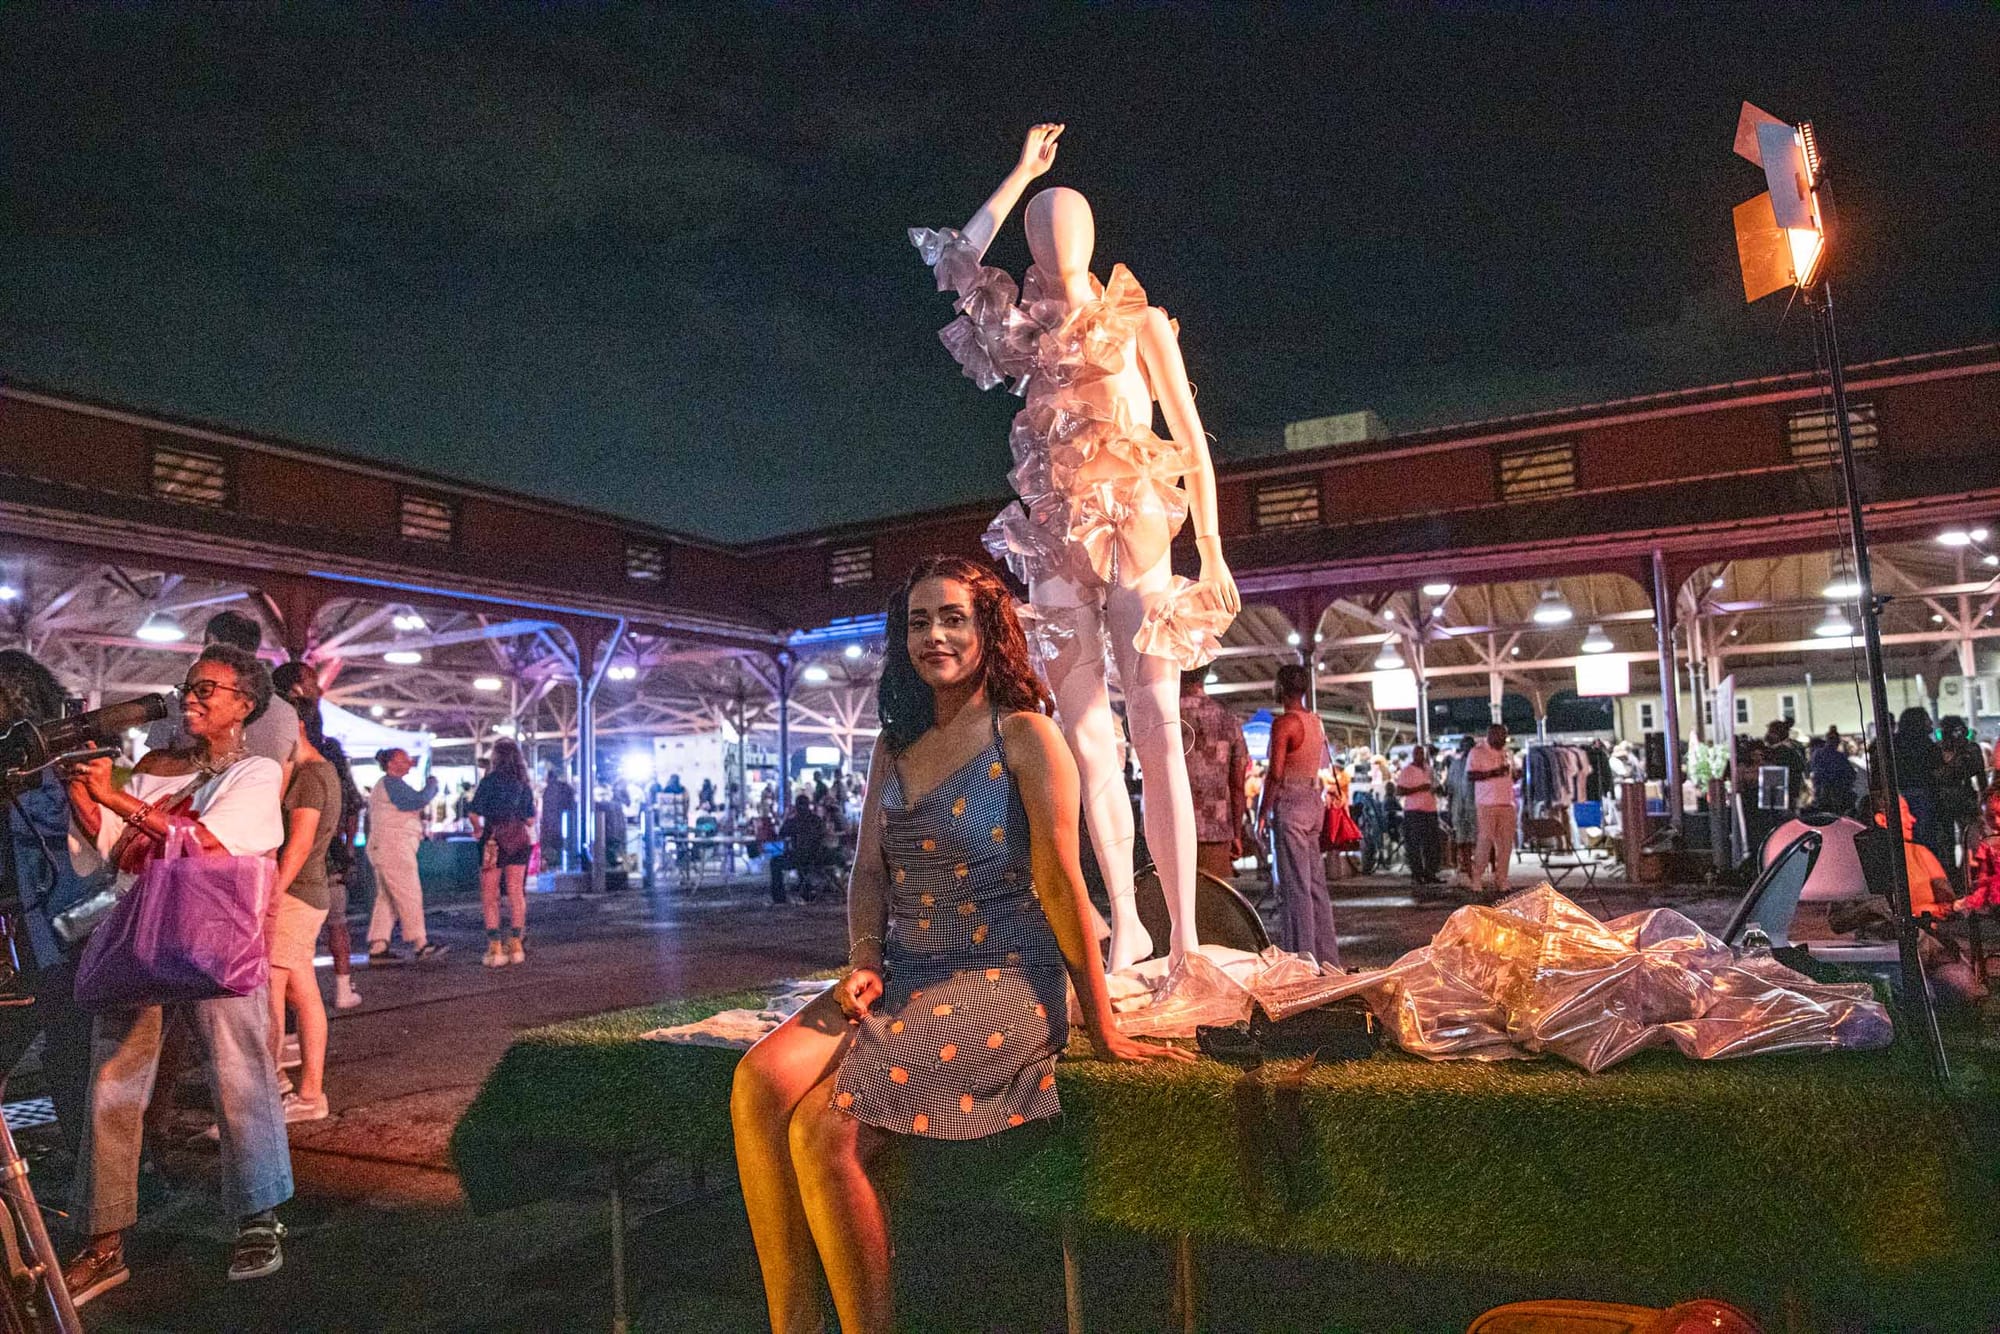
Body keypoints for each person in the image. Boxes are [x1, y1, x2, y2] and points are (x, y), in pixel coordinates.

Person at [730, 555, 1188, 1333]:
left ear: (989, 632)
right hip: (905, 966)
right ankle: (793, 1324)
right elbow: (869, 872)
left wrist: (1101, 1022)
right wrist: (865, 958)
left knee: (820, 1132)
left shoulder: (1026, 735)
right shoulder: (893, 745)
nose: (934, 636)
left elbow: (1061, 886)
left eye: (953, 619)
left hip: (1004, 974)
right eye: (918, 621)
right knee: (759, 1081)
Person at [61, 643, 293, 1299]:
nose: (191, 699)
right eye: (189, 688)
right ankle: (103, 1239)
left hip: (211, 941)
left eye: (207, 689)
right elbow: (116, 851)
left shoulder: (255, 774)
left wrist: (116, 796)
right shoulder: (158, 775)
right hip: (143, 938)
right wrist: (89, 796)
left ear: (244, 704)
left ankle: (257, 1217)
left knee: (240, 1079)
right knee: (111, 1084)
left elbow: (209, 844)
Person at [0, 650, 98, 1160]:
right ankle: (94, 1170)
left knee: (69, 1056)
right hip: (54, 935)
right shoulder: (56, 766)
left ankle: (98, 1172)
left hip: (43, 934)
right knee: (71, 1057)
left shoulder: (58, 768)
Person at [270, 662, 363, 1011]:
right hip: (325, 859)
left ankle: (287, 1045)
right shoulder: (326, 755)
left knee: (283, 965)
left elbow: (303, 838)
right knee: (305, 952)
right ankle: (340, 989)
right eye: (312, 682)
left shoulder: (309, 765)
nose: (319, 689)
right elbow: (352, 805)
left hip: (303, 863)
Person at [265, 694, 340, 1122]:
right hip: (308, 893)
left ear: (297, 728)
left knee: (274, 992)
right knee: (301, 990)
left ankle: (277, 1088)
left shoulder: (311, 777)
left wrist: (272, 892)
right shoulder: (317, 771)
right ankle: (308, 1092)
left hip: (296, 895)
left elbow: (300, 842)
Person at [143, 610, 297, 775]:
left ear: (210, 640)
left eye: (205, 690)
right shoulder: (287, 713)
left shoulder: (178, 702)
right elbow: (283, 780)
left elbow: (151, 770)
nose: (190, 698)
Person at [1258, 663, 1338, 966]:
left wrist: (1262, 813)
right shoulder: (1315, 722)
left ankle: (1302, 958)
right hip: (1313, 799)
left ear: (1279, 688)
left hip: (1290, 801)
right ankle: (1327, 957)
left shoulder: (1284, 724)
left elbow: (1275, 774)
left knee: (1295, 886)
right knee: (1316, 885)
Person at [364, 748, 445, 965]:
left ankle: (378, 944)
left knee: (388, 897)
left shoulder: (386, 784)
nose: (409, 763)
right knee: (409, 893)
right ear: (391, 764)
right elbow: (416, 801)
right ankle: (420, 943)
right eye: (404, 760)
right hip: (394, 847)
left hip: (383, 847)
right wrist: (432, 785)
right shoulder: (392, 783)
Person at [469, 738, 537, 967]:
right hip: (518, 840)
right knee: (516, 892)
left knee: (490, 895)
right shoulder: (523, 785)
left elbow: (473, 813)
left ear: (495, 758)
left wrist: (478, 829)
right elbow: (530, 820)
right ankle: (516, 944)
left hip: (492, 841)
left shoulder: (488, 782)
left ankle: (495, 947)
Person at [1179, 668, 1250, 883]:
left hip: (1168, 827)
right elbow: (1237, 784)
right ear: (1206, 673)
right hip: (1215, 828)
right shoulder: (1228, 719)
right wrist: (1237, 833)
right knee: (1213, 905)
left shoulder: (1162, 716)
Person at [1466, 723, 1518, 899]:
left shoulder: (1506, 752)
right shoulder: (1477, 752)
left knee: (1506, 845)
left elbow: (1511, 773)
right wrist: (1494, 773)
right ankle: (1477, 877)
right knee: (1485, 841)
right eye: (1499, 736)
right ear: (1490, 735)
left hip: (1507, 803)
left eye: (1504, 736)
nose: (1503, 739)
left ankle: (1501, 879)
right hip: (1486, 803)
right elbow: (1471, 775)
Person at [1892, 707, 1945, 865]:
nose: (1930, 722)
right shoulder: (1926, 745)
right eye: (1926, 719)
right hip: (1923, 794)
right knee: (1926, 836)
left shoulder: (1896, 743)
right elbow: (1936, 770)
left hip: (1902, 794)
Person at [1935, 716, 1985, 877]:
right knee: (1948, 839)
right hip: (1951, 798)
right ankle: (1955, 874)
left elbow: (1979, 776)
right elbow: (1980, 777)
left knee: (1968, 837)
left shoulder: (1969, 749)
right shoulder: (1939, 750)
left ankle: (1966, 872)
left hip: (1959, 796)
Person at [1396, 744, 1445, 891]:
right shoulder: (1407, 771)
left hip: (1430, 810)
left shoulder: (1429, 769)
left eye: (1422, 753)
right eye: (1418, 753)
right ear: (1413, 755)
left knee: (1432, 844)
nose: (1420, 756)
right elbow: (1399, 790)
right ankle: (1417, 874)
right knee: (1414, 845)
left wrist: (1438, 789)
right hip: (1414, 811)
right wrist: (1418, 789)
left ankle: (1431, 872)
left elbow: (1435, 785)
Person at [768, 794, 829, 906]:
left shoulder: (793, 821)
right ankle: (805, 889)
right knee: (801, 862)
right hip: (816, 857)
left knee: (775, 862)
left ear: (795, 807)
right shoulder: (817, 820)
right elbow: (824, 835)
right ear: (808, 805)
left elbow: (781, 834)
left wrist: (787, 815)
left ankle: (779, 897)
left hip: (798, 858)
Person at [1808, 725, 1858, 817]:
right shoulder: (1834, 756)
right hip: (1830, 793)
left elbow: (1850, 774)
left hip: (1828, 792)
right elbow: (1850, 775)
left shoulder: (1820, 754)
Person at [538, 760, 576, 873]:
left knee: (551, 850)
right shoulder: (566, 788)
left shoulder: (548, 790)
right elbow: (571, 805)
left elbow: (546, 810)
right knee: (562, 848)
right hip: (564, 824)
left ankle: (552, 867)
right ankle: (563, 867)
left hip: (549, 825)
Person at [1761, 719, 1808, 810]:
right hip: (1787, 793)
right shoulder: (1792, 747)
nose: (1767, 734)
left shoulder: (1783, 751)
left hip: (1783, 794)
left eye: (1770, 731)